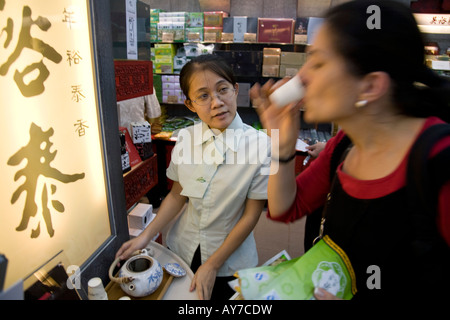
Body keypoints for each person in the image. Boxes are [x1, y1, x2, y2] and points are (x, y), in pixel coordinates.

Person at [250, 0, 450, 300]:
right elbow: (284, 208)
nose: (301, 77)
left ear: (370, 86)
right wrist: (282, 145)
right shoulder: (344, 144)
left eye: (318, 63)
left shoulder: (439, 160)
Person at [116, 54, 271, 300]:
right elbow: (177, 196)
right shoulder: (185, 138)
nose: (217, 102)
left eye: (223, 90)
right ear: (190, 104)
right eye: (203, 96)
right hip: (181, 248)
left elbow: (252, 215)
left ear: (235, 90)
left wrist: (212, 264)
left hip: (231, 261)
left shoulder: (263, 145)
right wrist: (145, 235)